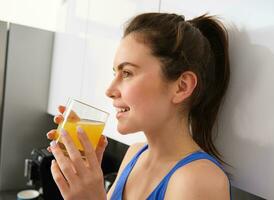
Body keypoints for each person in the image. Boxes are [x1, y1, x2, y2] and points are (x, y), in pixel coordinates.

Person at [47, 12, 232, 200]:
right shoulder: (134, 155)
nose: (110, 90)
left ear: (181, 87)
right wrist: (84, 178)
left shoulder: (199, 180)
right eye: (115, 74)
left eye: (127, 73)